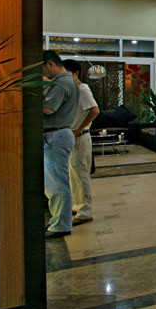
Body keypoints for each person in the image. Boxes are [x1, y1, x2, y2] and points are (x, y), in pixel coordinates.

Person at [42, 50, 78, 238]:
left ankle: (61, 225)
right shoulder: (65, 81)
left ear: (50, 64)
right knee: (55, 182)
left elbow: (48, 108)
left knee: (57, 183)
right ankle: (59, 221)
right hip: (58, 134)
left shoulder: (62, 82)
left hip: (57, 135)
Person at [63, 59, 99, 226]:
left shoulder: (82, 89)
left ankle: (85, 211)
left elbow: (94, 110)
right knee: (74, 175)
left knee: (81, 174)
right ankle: (78, 206)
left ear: (75, 73)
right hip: (72, 137)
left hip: (80, 137)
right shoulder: (71, 91)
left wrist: (78, 129)